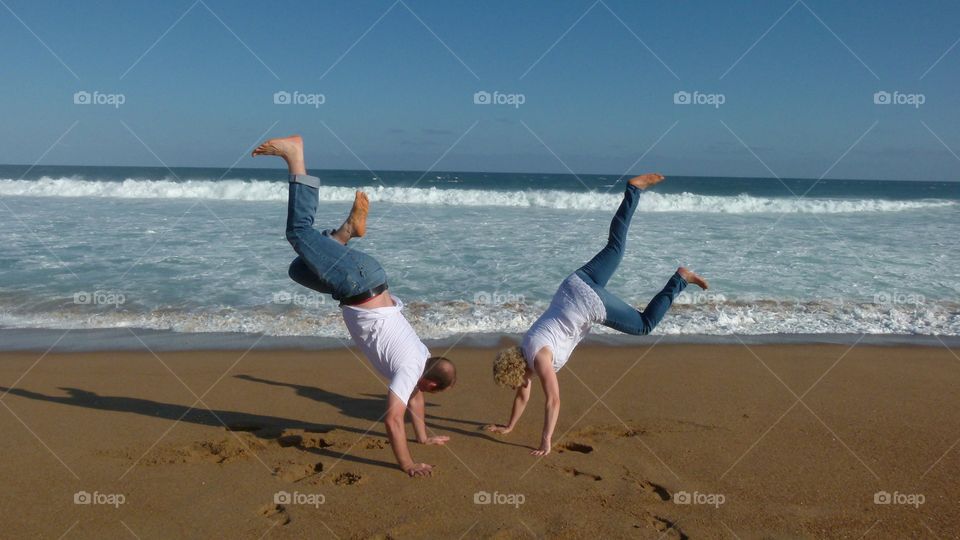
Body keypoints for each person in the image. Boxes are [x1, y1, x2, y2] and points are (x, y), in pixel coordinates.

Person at [253, 134, 456, 477]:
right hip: (356, 284)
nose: (424, 393)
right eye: (433, 391)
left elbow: (416, 399)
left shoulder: (421, 356)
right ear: (430, 383)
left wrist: (424, 438)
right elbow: (393, 419)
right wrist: (408, 464)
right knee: (299, 232)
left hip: (365, 280)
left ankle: (346, 231)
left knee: (299, 270)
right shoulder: (409, 369)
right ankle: (295, 156)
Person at [485, 173, 708, 456]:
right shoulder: (527, 345)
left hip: (586, 303)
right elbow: (523, 394)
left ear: (519, 372)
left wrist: (546, 441)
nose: (518, 387)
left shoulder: (540, 359)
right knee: (615, 247)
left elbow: (553, 400)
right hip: (574, 283)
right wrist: (509, 426)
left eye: (515, 383)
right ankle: (633, 190)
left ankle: (680, 278)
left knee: (644, 324)